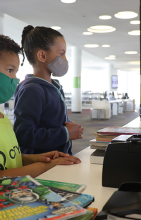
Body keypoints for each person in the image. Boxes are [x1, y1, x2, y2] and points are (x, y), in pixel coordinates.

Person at [0, 32, 80, 182]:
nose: (14, 79)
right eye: (10, 70)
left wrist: (37, 158)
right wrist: (47, 166)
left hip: (16, 192)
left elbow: (10, 157)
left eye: (15, 72)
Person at [13, 25, 84, 155]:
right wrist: (65, 133)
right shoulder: (32, 90)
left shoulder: (54, 87)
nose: (65, 59)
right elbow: (23, 135)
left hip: (58, 161)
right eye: (61, 54)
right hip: (41, 167)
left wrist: (65, 129)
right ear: (42, 56)